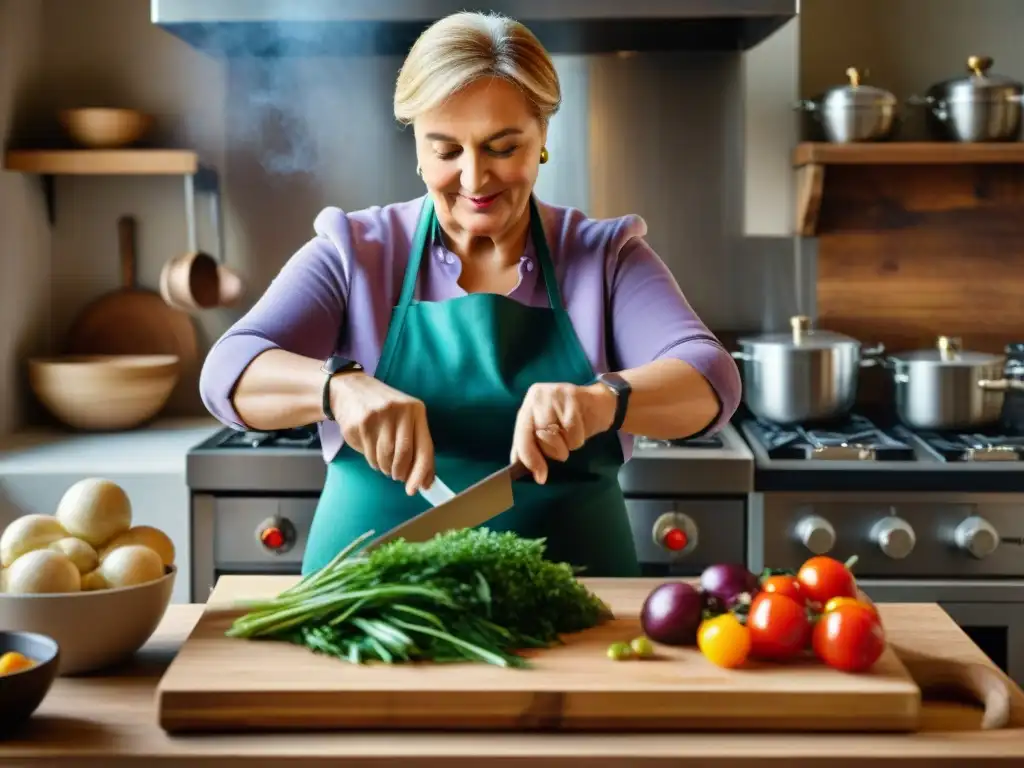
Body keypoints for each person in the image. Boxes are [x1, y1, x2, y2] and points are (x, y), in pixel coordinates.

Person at [199, 11, 742, 578]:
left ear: (542, 140)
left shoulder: (603, 258)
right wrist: (338, 388)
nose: (475, 179)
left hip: (580, 608)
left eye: (503, 148)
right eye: (446, 150)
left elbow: (711, 379)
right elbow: (227, 371)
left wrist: (603, 400)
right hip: (366, 611)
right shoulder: (355, 251)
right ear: (417, 146)